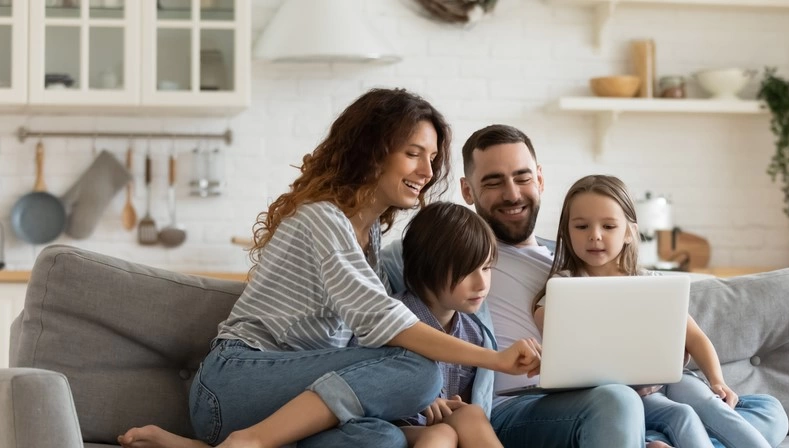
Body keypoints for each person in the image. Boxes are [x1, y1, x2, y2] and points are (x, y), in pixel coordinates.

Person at [117, 89, 540, 448]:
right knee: (420, 370)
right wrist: (496, 359)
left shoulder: (369, 238)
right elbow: (385, 323)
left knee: (383, 440)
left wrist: (407, 395)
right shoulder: (322, 219)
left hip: (295, 400)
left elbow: (367, 340)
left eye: (431, 158)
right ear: (372, 152)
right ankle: (252, 441)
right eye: (413, 154)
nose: (427, 172)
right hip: (234, 385)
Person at [385, 124, 788, 448]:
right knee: (619, 399)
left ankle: (655, 438)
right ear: (468, 191)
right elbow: (386, 312)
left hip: (617, 395)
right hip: (520, 405)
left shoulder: (576, 257)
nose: (512, 193)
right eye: (493, 182)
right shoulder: (453, 253)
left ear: (540, 179)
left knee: (768, 409)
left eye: (522, 177)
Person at [533, 174, 778, 448]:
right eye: (581, 226)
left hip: (670, 379)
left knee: (713, 405)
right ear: (566, 231)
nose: (595, 235)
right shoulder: (564, 287)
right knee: (681, 415)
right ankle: (656, 439)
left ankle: (659, 440)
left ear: (629, 232)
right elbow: (551, 330)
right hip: (621, 395)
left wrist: (717, 381)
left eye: (609, 226)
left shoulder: (649, 282)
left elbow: (695, 338)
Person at [390, 201, 504, 448]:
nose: (482, 284)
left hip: (441, 428)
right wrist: (419, 398)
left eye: (486, 268)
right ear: (427, 269)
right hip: (391, 427)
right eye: (467, 271)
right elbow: (362, 381)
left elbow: (463, 402)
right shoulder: (391, 317)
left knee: (470, 414)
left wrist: (454, 405)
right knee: (442, 434)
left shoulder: (473, 333)